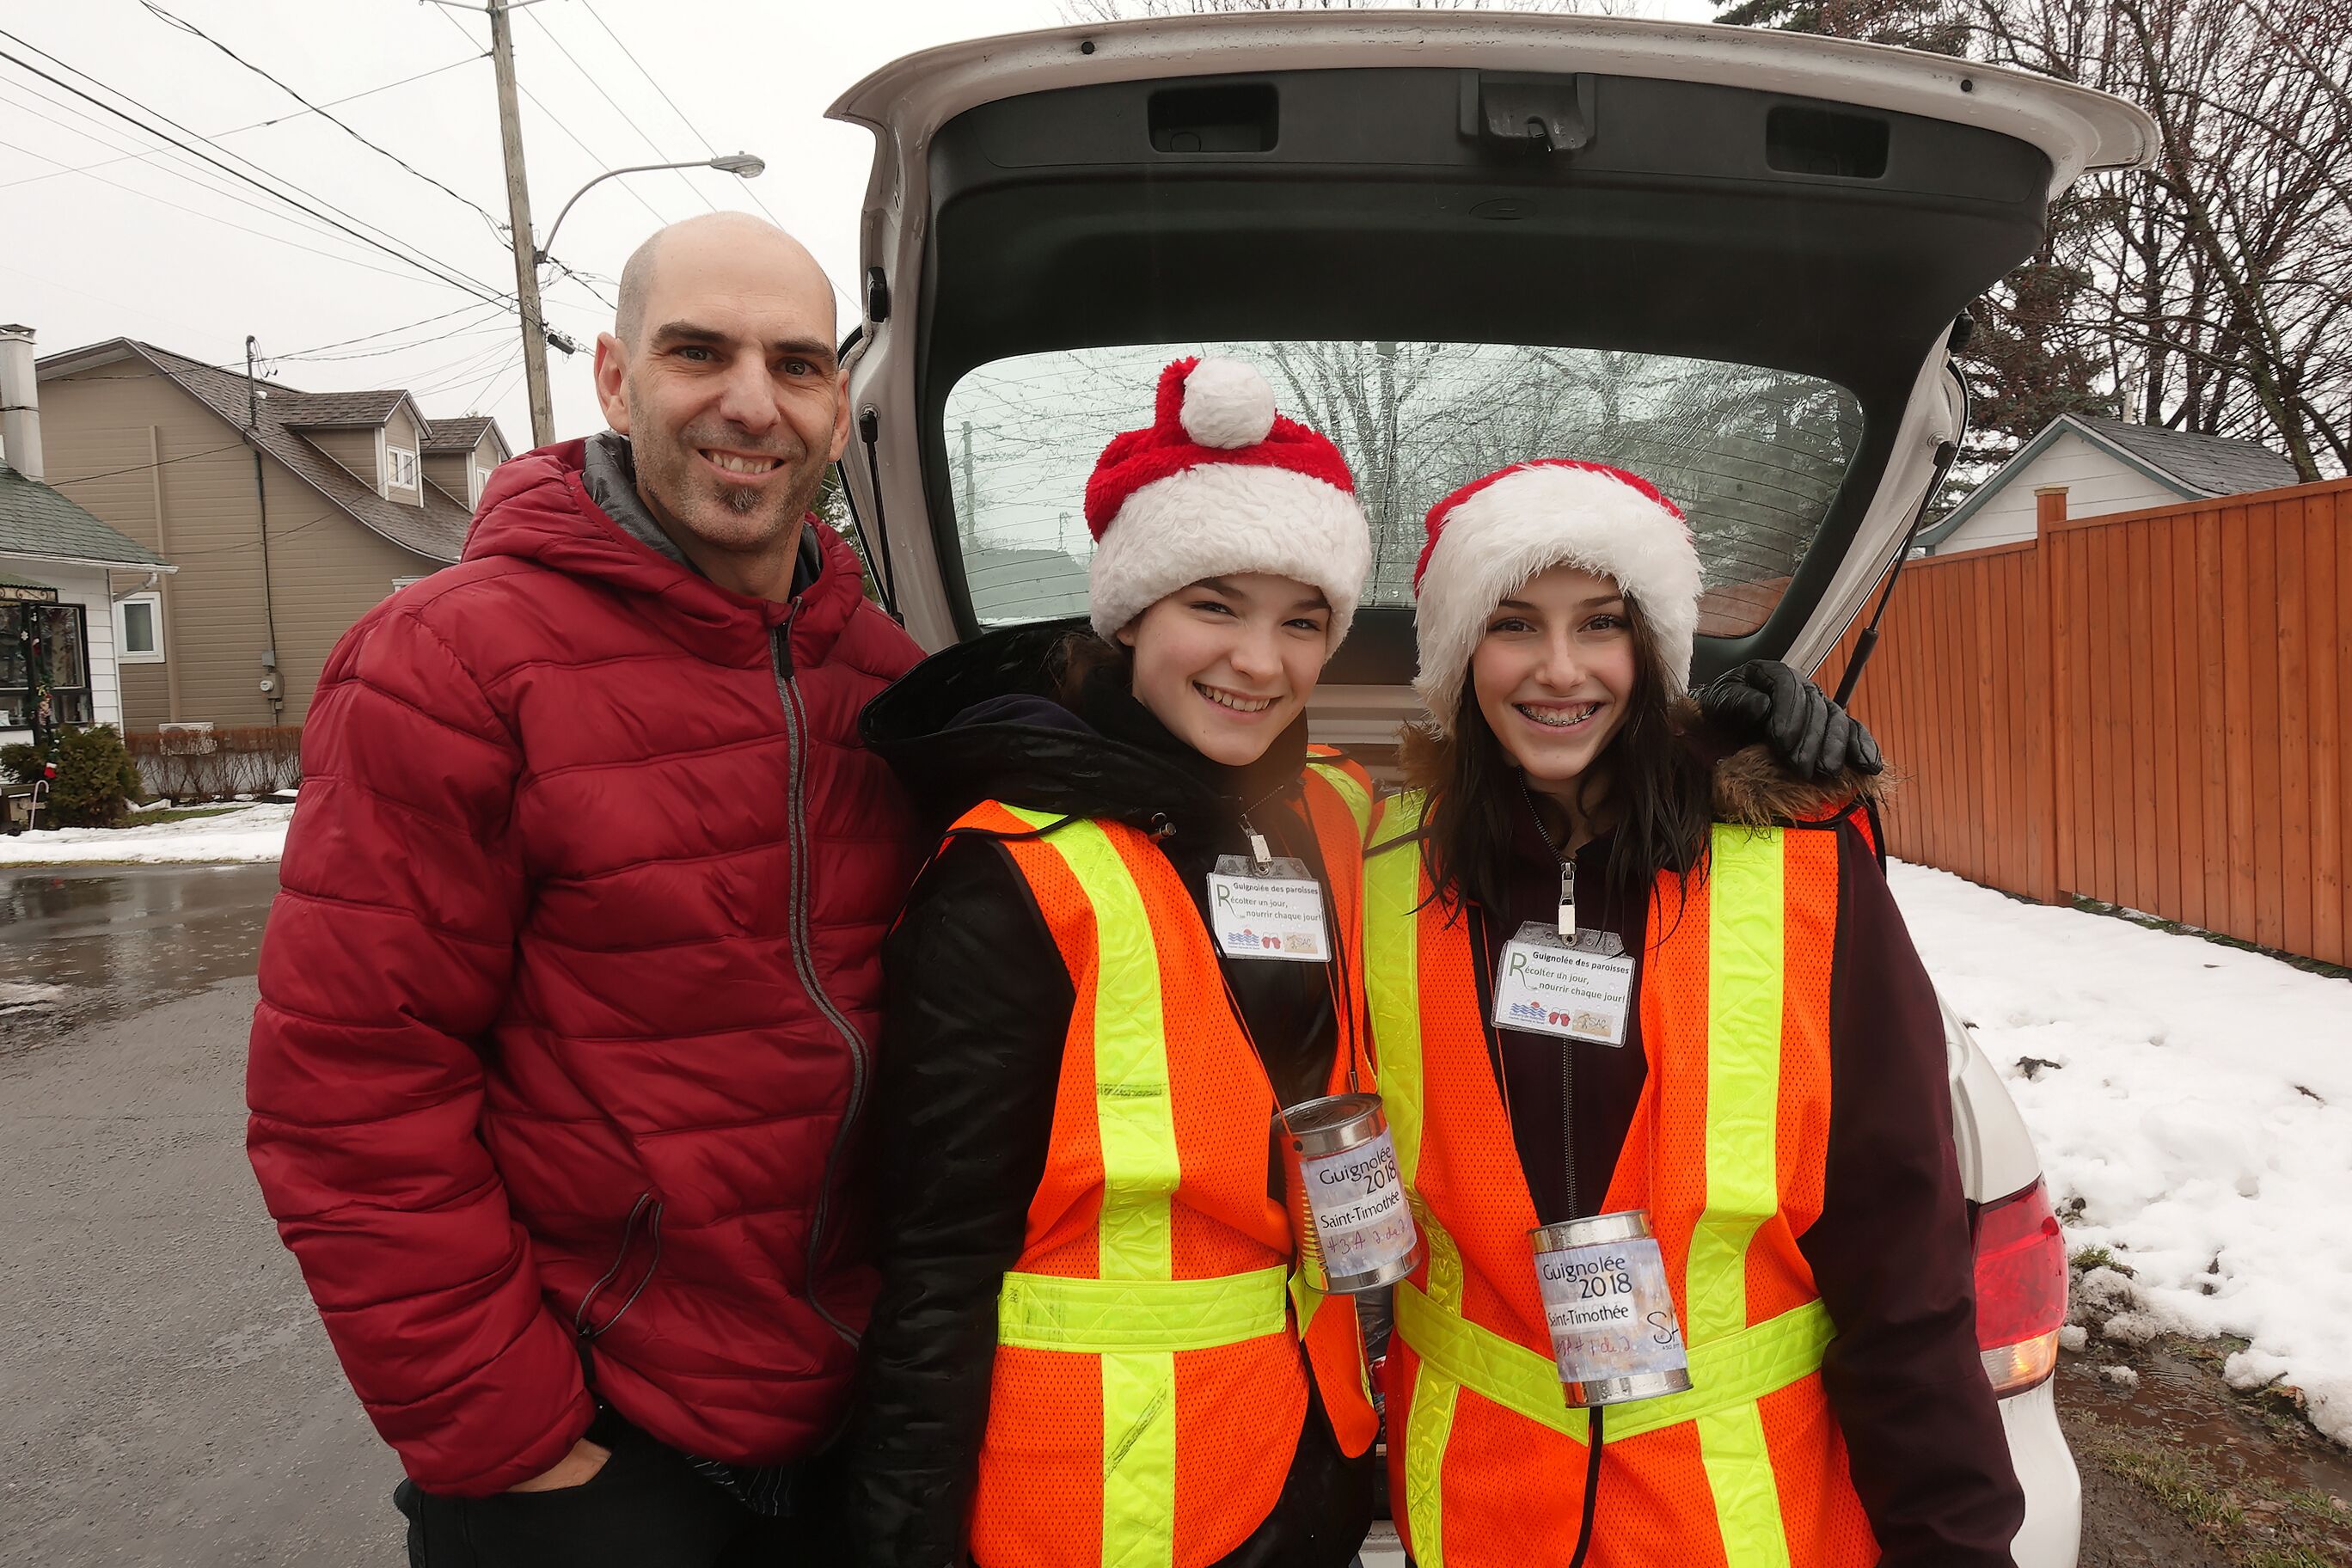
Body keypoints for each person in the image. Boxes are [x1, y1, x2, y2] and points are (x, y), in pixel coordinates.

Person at [245, 212, 923, 1566]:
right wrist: (520, 1445)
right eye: (699, 352)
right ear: (614, 379)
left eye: (796, 364)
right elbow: (350, 1092)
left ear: (839, 409)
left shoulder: (888, 686)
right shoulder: (447, 666)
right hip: (602, 1454)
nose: (752, 403)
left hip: (858, 1430)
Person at [1363, 460, 2022, 1566]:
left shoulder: (1799, 874)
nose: (1560, 668)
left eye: (1603, 624)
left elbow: (1903, 1260)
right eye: (1514, 623)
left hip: (1734, 1521)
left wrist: (1954, 1543)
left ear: (1654, 650)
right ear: (1461, 654)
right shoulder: (1381, 872)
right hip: (1478, 1517)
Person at [843, 357, 1387, 1568]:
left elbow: (1551, 828)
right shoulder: (1012, 875)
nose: (1260, 661)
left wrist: (1726, 749)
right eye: (1215, 606)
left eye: (1302, 621)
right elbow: (939, 1258)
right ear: (1131, 611)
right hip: (1100, 1506)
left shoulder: (1333, 813)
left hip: (1309, 1457)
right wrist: (903, 1539)